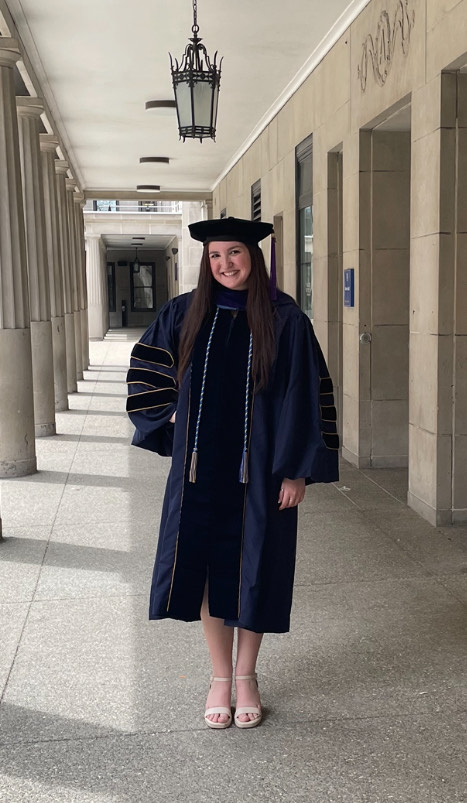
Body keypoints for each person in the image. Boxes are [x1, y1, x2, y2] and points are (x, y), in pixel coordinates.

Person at [126, 216, 339, 730]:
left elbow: (305, 398)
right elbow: (147, 370)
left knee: (254, 569)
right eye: (216, 256)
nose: (225, 264)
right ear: (207, 261)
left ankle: (247, 676)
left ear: (254, 256)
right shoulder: (184, 312)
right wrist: (170, 413)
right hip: (199, 471)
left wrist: (296, 473)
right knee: (201, 569)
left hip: (263, 472)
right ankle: (220, 677)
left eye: (235, 253)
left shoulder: (286, 319)